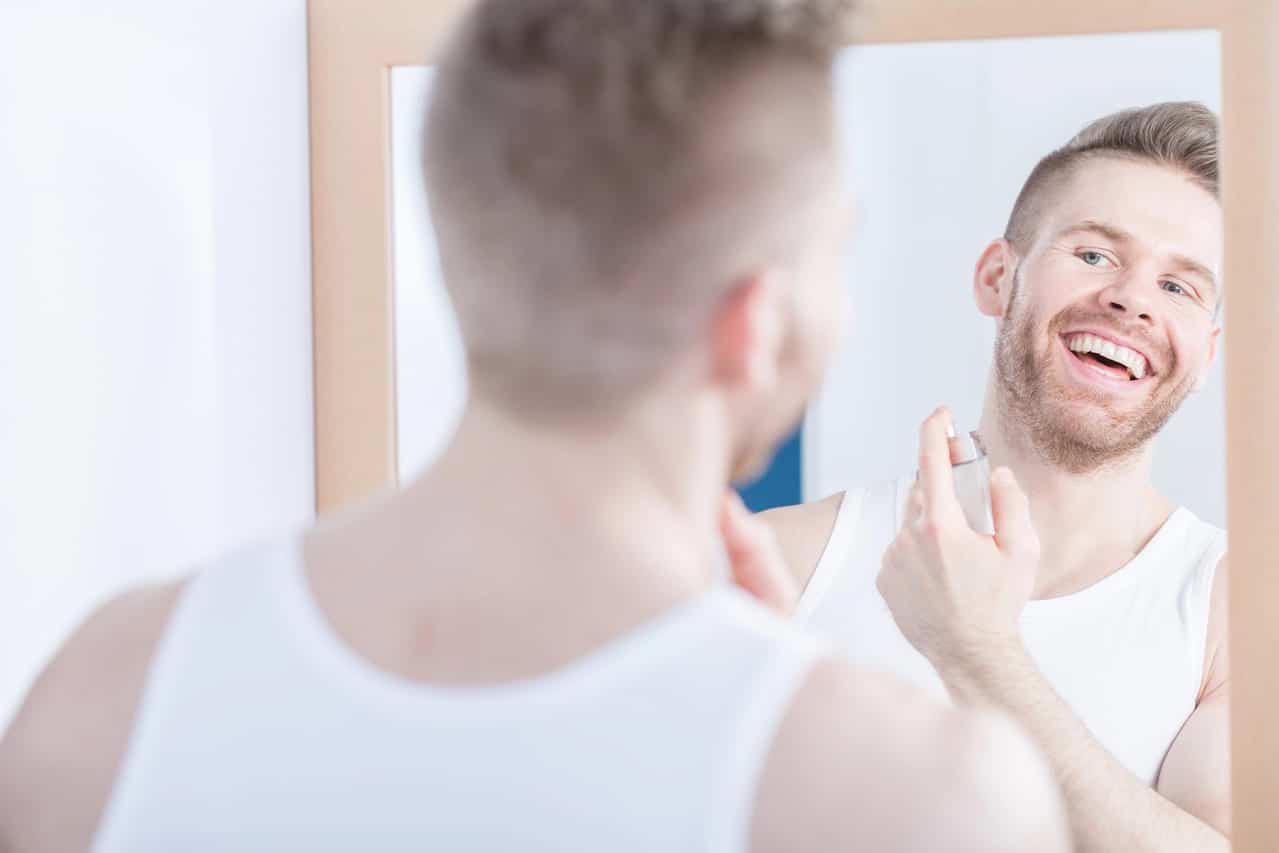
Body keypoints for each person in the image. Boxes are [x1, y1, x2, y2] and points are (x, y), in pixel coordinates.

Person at [0, 2, 1070, 851]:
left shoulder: (104, 687)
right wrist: (782, 708)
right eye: (837, 248)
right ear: (752, 322)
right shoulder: (919, 793)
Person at [761, 101, 1230, 851]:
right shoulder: (781, 562)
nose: (1131, 299)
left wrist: (976, 650)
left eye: (1179, 286)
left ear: (1205, 354)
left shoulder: (1237, 615)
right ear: (995, 278)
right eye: (1093, 254)